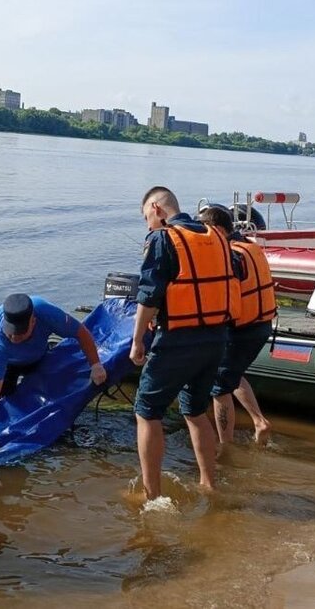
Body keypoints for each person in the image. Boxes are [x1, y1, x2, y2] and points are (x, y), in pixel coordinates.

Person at [130, 186, 233, 500]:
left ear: (158, 209)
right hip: (216, 338)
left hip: (178, 340)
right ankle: (209, 484)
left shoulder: (162, 239)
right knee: (194, 411)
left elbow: (148, 295)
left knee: (147, 411)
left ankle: (151, 496)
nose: (148, 225)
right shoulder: (216, 236)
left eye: (147, 217)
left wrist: (137, 341)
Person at [0, 293, 107, 454]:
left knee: (43, 386)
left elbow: (81, 333)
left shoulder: (48, 314)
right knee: (1, 402)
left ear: (33, 321)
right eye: (11, 333)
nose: (15, 338)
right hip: (5, 358)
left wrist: (96, 364)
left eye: (20, 333)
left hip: (35, 349)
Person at [198, 206, 276, 446]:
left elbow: (221, 294)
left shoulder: (230, 255)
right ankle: (258, 421)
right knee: (233, 374)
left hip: (242, 330)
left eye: (205, 231)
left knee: (218, 387)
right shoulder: (249, 246)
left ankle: (225, 446)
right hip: (262, 324)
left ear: (219, 230)